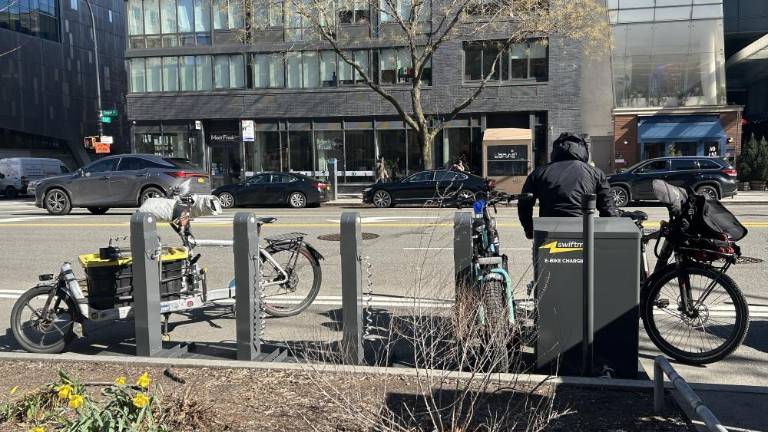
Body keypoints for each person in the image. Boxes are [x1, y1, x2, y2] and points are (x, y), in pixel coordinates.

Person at [518, 133, 619, 240]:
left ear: (555, 150)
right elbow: (608, 207)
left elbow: (524, 204)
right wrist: (608, 235)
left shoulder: (539, 173)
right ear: (583, 150)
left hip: (548, 232)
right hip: (583, 231)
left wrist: (529, 230)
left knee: (546, 256)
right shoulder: (595, 173)